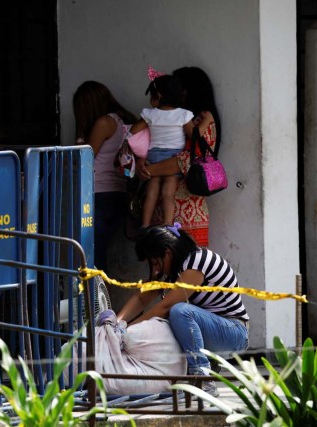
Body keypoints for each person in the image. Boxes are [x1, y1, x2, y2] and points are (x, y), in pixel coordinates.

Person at [116, 224, 249, 396]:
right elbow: (141, 297)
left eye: (156, 262)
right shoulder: (177, 268)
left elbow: (165, 306)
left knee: (179, 312)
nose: (155, 269)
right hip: (216, 329)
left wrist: (127, 331)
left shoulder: (196, 263)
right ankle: (201, 366)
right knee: (169, 320)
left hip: (235, 332)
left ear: (168, 253)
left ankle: (203, 378)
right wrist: (117, 323)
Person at [136, 67, 221, 247]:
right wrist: (141, 159)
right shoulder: (173, 118)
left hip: (187, 213)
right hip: (162, 210)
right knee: (162, 273)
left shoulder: (205, 119)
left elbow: (184, 161)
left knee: (187, 270)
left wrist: (147, 169)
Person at [73, 81, 137, 272]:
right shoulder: (124, 121)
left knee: (92, 256)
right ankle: (100, 299)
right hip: (119, 192)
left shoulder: (103, 123)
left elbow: (85, 157)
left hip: (99, 194)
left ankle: (95, 300)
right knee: (99, 252)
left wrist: (80, 134)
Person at [130, 75, 193, 227]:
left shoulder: (150, 114)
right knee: (168, 193)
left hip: (155, 155)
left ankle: (145, 225)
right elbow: (193, 135)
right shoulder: (183, 114)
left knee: (151, 192)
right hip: (173, 157)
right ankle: (168, 226)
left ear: (158, 96)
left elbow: (133, 131)